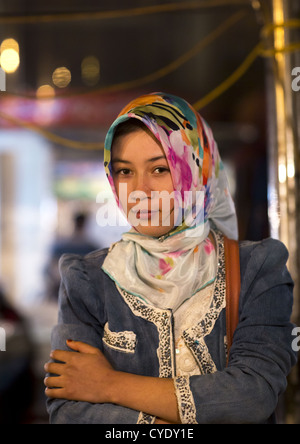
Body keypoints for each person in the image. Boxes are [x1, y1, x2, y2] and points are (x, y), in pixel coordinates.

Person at [44, 92, 297, 424]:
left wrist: (109, 384)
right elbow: (68, 411)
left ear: (196, 169)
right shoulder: (88, 279)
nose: (140, 190)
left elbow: (252, 396)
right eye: (124, 172)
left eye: (160, 169)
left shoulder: (257, 268)